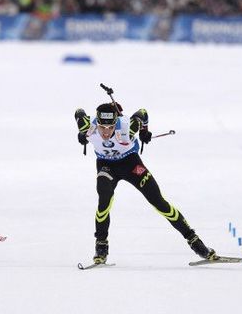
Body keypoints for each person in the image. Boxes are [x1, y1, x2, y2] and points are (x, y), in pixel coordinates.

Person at [75, 102, 216, 264]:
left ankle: (196, 242)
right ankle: (101, 246)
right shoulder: (88, 127)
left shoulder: (128, 127)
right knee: (103, 202)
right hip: (106, 166)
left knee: (159, 202)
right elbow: (79, 113)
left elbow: (142, 113)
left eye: (110, 127)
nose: (106, 132)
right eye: (102, 128)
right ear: (97, 123)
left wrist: (144, 131)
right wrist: (80, 134)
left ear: (116, 123)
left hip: (131, 164)